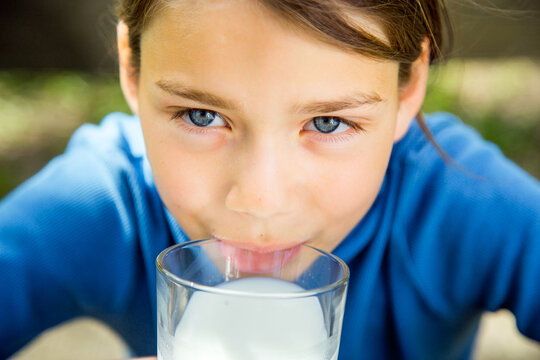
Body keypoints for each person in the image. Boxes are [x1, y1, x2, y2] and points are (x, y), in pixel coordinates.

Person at [1, 0, 538, 358]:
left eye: (328, 123)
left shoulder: (456, 203)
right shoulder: (102, 206)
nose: (261, 200)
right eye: (201, 116)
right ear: (132, 68)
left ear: (408, 85)